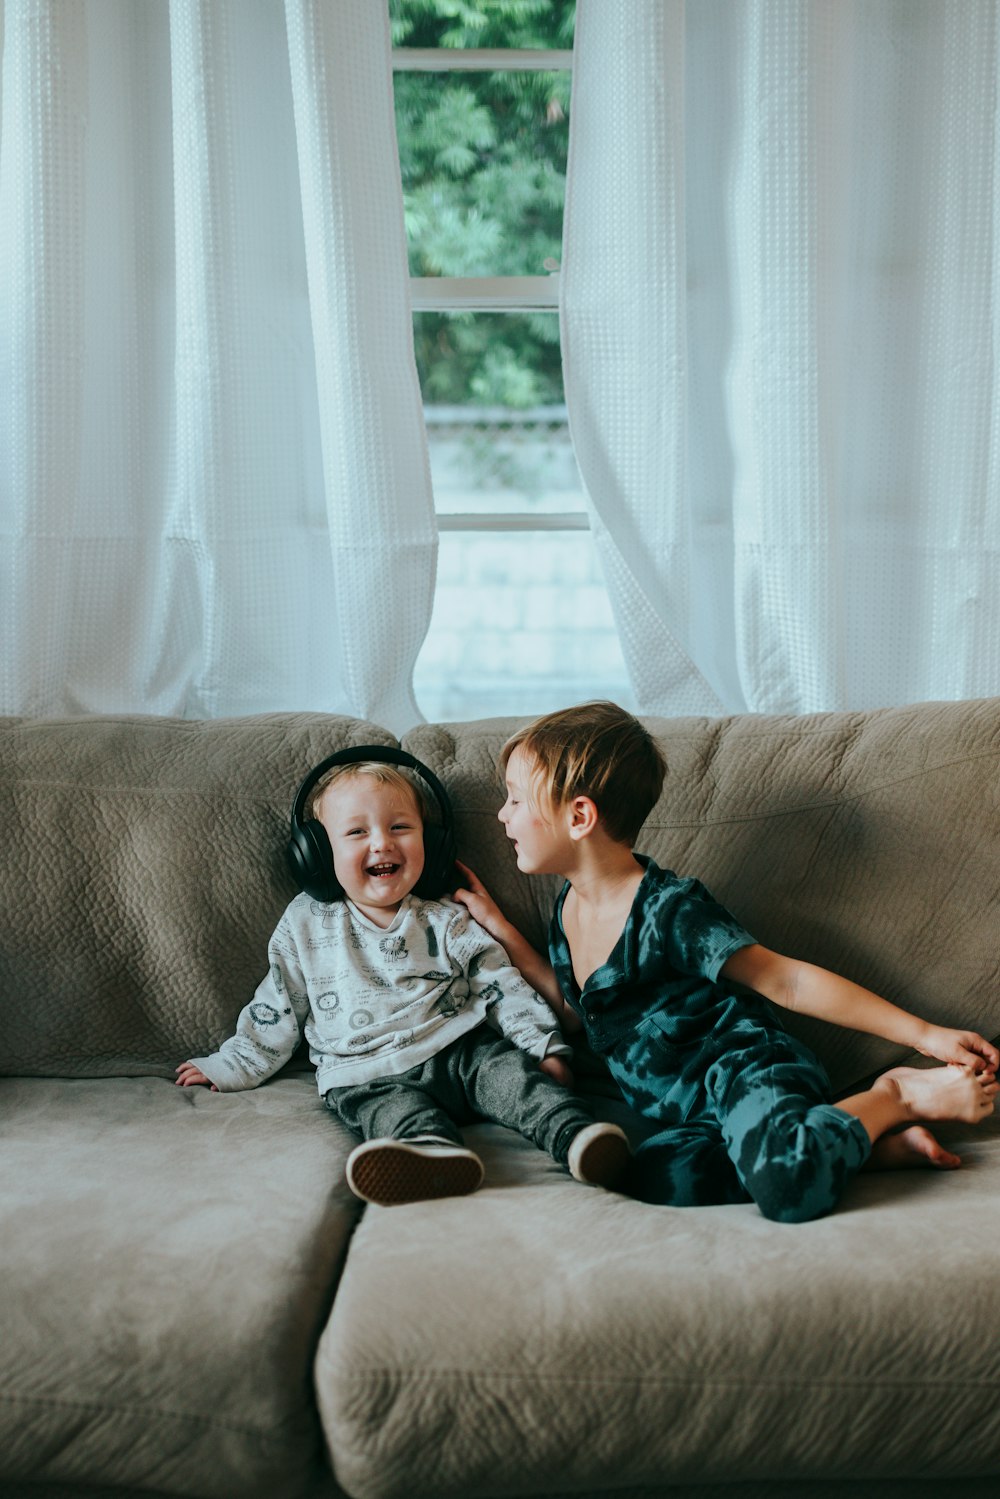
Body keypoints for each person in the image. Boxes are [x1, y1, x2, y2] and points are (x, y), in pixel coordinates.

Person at [453, 701, 999, 1223]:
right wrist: (498, 928)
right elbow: (573, 1015)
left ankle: (894, 1097)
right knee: (650, 1177)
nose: (503, 816)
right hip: (692, 1114)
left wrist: (924, 1033)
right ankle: (856, 1148)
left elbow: (786, 981)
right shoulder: (567, 907)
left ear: (579, 816)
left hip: (745, 1070)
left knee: (785, 1192)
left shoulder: (669, 910)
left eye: (516, 800)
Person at [176, 752, 629, 1207]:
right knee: (390, 1113)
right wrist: (232, 1063)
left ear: (430, 845)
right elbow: (279, 1000)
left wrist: (541, 1045)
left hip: (458, 1048)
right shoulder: (305, 924)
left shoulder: (445, 917)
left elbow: (499, 983)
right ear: (316, 854)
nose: (382, 844)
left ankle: (576, 1135)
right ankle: (430, 1156)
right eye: (357, 832)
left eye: (400, 828)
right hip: (366, 1070)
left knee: (513, 1079)